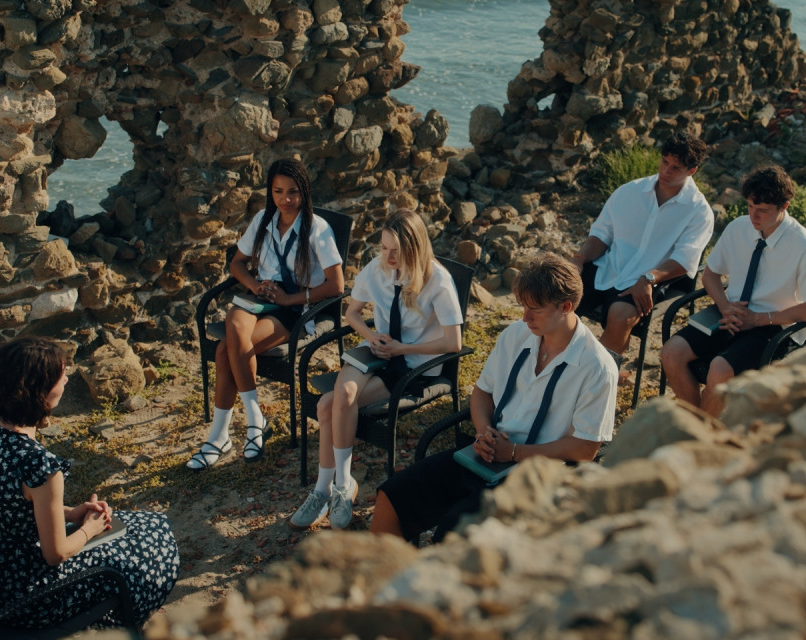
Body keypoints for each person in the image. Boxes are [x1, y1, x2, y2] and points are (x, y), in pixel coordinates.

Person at [370, 253, 618, 544]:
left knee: (451, 535)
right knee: (392, 496)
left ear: (566, 307)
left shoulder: (597, 366)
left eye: (535, 310)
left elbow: (586, 447)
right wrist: (484, 431)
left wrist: (514, 452)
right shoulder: (515, 335)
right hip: (486, 455)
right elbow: (482, 392)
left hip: (538, 475)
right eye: (523, 307)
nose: (525, 317)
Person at [0, 336, 179, 629]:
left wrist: (70, 512)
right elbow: (56, 554)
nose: (66, 379)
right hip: (28, 595)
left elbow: (9, 502)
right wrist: (89, 528)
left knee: (143, 525)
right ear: (39, 391)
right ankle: (117, 620)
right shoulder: (40, 467)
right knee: (156, 537)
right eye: (60, 376)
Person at [289, 209, 464, 530]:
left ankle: (326, 488)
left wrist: (403, 348)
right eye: (384, 248)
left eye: (396, 250)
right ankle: (339, 485)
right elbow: (352, 314)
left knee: (329, 405)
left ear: (415, 247)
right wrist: (371, 336)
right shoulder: (377, 269)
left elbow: (453, 343)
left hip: (411, 364)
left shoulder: (438, 281)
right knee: (342, 393)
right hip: (376, 351)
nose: (388, 256)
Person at [187, 158, 345, 469]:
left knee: (224, 351)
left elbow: (337, 284)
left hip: (293, 308)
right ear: (270, 191)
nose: (285, 199)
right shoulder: (263, 219)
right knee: (234, 320)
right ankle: (254, 420)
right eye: (278, 191)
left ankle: (220, 436)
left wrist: (291, 299)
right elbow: (236, 263)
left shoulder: (317, 229)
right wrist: (255, 284)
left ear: (304, 192)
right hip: (261, 298)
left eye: (293, 192)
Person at [661, 165, 806, 417]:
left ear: (784, 207)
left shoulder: (805, 247)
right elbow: (711, 275)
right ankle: (697, 424)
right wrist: (725, 306)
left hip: (774, 325)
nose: (753, 216)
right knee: (671, 352)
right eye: (750, 206)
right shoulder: (738, 228)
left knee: (719, 369)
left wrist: (759, 319)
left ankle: (703, 435)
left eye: (762, 210)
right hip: (732, 313)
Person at [570, 132, 713, 369]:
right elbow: (602, 234)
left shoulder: (699, 212)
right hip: (610, 266)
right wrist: (579, 259)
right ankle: (555, 363)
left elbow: (684, 260)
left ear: (692, 171)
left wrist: (649, 278)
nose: (666, 171)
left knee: (621, 315)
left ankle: (596, 380)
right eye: (664, 162)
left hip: (656, 280)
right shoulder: (630, 191)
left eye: (676, 168)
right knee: (558, 292)